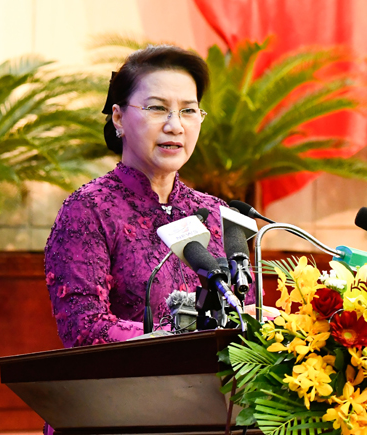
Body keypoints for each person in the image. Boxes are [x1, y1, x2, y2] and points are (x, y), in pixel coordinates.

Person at [44, 45, 243, 348]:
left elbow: (243, 313)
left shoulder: (216, 212)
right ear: (119, 118)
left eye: (188, 110)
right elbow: (83, 328)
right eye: (157, 108)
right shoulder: (88, 210)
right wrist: (180, 338)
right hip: (128, 390)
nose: (175, 126)